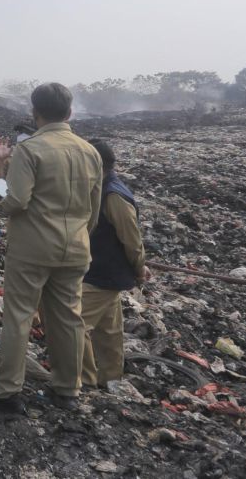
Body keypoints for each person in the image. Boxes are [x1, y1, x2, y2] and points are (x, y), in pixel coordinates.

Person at [0, 83, 102, 413]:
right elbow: (94, 209)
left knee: (18, 317)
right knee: (69, 318)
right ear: (70, 113)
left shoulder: (31, 150)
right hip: (75, 247)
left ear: (35, 113)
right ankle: (67, 390)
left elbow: (16, 201)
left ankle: (6, 390)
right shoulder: (91, 152)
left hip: (32, 249)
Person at [81, 139, 149, 387]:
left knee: (72, 326)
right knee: (108, 331)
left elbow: (131, 239)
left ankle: (84, 379)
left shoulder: (113, 196)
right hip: (104, 273)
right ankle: (111, 379)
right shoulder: (100, 187)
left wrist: (139, 268)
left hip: (103, 274)